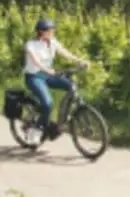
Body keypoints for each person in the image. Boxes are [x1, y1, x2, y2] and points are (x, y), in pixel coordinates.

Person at [23, 18, 88, 146]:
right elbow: (35, 60)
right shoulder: (31, 45)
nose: (53, 32)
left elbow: (65, 53)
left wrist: (79, 61)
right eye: (50, 30)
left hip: (48, 75)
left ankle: (62, 118)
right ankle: (35, 131)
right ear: (42, 32)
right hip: (34, 77)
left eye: (53, 29)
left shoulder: (52, 42)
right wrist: (46, 69)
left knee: (71, 85)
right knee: (48, 104)